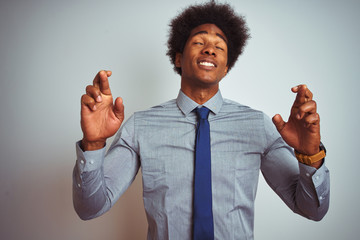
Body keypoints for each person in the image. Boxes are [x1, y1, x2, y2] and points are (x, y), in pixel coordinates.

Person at [73, 1, 330, 239]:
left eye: (219, 46)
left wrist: (310, 156)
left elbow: (311, 210)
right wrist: (93, 144)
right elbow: (90, 208)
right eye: (199, 42)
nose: (210, 49)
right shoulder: (140, 126)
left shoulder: (258, 126)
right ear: (178, 58)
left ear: (226, 66)